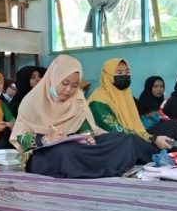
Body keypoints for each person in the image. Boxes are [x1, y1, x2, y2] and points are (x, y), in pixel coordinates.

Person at [10, 55, 144, 178]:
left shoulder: (77, 98)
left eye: (74, 85)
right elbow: (21, 136)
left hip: (77, 146)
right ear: (53, 78)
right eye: (64, 83)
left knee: (123, 139)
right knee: (65, 152)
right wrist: (47, 139)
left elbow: (84, 125)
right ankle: (95, 166)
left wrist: (87, 137)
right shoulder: (32, 101)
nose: (69, 90)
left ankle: (92, 165)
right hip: (46, 151)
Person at [88, 59, 175, 158]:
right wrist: (153, 139)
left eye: (127, 72)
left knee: (173, 125)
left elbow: (137, 128)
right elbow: (117, 131)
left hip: (137, 136)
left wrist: (150, 138)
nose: (125, 76)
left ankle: (160, 149)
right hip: (114, 142)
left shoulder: (126, 94)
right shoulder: (98, 101)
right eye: (119, 73)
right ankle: (158, 152)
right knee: (130, 140)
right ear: (108, 76)